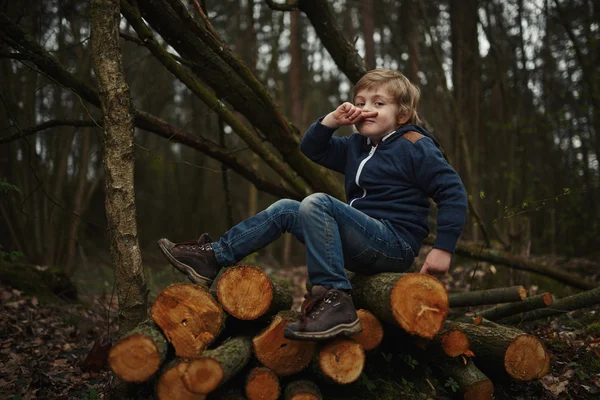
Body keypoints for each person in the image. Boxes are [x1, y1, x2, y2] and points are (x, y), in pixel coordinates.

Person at [158, 69, 468, 341]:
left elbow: (452, 191)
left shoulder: (415, 145)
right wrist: (332, 120)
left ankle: (333, 300)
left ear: (401, 114)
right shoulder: (357, 147)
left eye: (378, 103)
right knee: (285, 208)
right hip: (360, 242)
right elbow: (312, 149)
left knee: (317, 202)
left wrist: (443, 248)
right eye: (360, 103)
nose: (366, 109)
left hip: (393, 244)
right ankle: (215, 256)